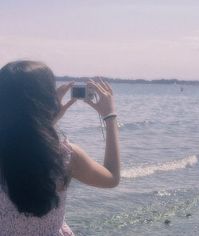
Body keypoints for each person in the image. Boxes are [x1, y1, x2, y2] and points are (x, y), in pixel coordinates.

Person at [0, 61, 120, 235]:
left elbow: (23, 144)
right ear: (48, 100)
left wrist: (45, 120)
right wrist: (110, 116)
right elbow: (111, 178)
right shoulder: (64, 155)